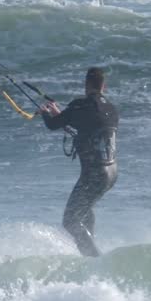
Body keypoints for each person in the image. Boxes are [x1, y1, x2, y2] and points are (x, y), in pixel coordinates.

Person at [37, 67, 118, 257]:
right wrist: (62, 115)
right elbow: (89, 126)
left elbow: (52, 124)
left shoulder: (80, 106)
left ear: (86, 84)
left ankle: (95, 260)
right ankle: (90, 251)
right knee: (85, 209)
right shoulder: (111, 109)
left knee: (70, 221)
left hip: (94, 175)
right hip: (112, 174)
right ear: (104, 86)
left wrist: (45, 113)